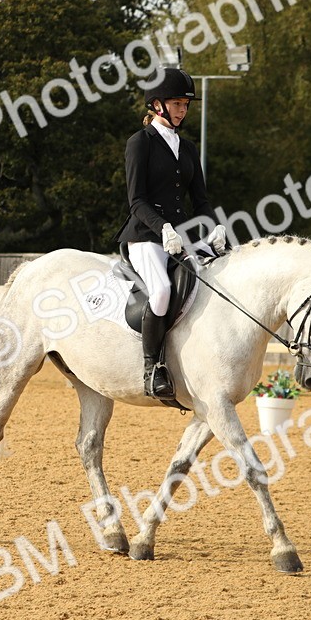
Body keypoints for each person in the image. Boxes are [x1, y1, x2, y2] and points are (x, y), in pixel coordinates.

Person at [112, 68, 227, 399]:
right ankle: (153, 368)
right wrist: (162, 227)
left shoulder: (187, 148)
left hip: (181, 237)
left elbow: (200, 201)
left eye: (186, 105)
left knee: (218, 276)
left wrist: (215, 227)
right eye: (177, 103)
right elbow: (136, 201)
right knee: (161, 290)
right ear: (157, 104)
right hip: (145, 237)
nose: (183, 110)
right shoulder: (140, 143)